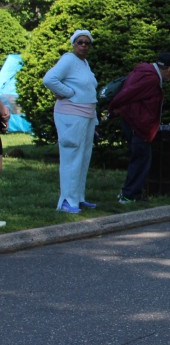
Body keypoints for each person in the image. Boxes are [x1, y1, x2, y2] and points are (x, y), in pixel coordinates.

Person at [108, 52, 170, 204]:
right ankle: (129, 195)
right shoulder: (151, 79)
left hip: (133, 122)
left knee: (140, 158)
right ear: (169, 69)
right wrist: (112, 109)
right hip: (138, 125)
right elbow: (127, 94)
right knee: (141, 159)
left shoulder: (144, 72)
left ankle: (132, 193)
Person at [43, 29, 99, 213]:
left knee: (83, 157)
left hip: (87, 115)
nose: (83, 45)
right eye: (80, 42)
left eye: (87, 43)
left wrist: (94, 120)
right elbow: (49, 79)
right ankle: (67, 201)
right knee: (72, 156)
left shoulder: (84, 63)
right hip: (71, 115)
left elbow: (88, 90)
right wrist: (68, 92)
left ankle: (78, 198)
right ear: (73, 43)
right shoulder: (68, 59)